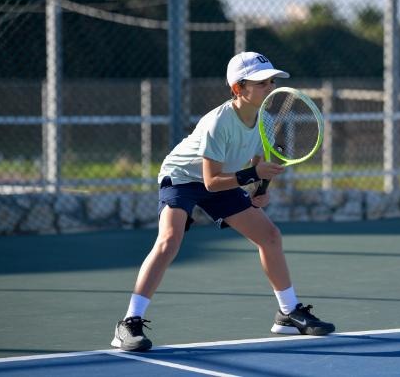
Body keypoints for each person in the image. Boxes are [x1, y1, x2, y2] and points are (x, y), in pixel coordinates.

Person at [111, 51, 336, 352]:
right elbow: (211, 182)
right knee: (169, 241)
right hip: (182, 177)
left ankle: (288, 313)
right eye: (261, 83)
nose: (270, 87)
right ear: (238, 88)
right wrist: (252, 175)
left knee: (270, 236)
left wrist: (260, 189)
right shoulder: (218, 122)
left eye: (271, 81)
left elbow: (256, 164)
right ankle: (129, 322)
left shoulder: (265, 121)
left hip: (226, 178)